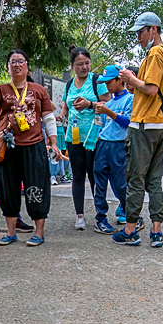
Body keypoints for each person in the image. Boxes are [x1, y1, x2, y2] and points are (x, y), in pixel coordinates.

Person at [0, 50, 58, 247]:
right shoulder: (0, 88)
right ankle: (11, 232)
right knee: (7, 188)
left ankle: (39, 232)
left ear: (27, 65)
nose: (17, 65)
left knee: (37, 187)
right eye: (12, 62)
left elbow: (48, 118)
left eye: (20, 61)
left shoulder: (39, 90)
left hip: (34, 146)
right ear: (7, 67)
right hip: (7, 147)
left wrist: (54, 143)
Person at [115, 11, 163, 248]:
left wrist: (131, 77)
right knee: (154, 179)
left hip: (145, 125)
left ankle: (130, 230)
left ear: (153, 29)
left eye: (141, 31)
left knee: (136, 178)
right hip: (161, 125)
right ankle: (156, 230)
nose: (138, 37)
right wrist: (136, 85)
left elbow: (150, 88)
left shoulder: (156, 53)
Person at [61, 46, 105, 230]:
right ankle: (79, 215)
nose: (84, 67)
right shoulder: (69, 85)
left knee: (95, 175)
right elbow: (65, 106)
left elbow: (108, 103)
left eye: (87, 63)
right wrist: (61, 115)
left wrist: (90, 104)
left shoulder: (97, 80)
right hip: (74, 137)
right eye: (80, 64)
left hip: (94, 136)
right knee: (78, 176)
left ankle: (100, 214)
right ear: (72, 66)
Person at [90, 64, 131, 233]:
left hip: (119, 146)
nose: (107, 85)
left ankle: (131, 214)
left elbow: (127, 122)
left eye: (109, 81)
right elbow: (101, 125)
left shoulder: (129, 99)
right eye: (104, 82)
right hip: (102, 144)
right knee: (99, 183)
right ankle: (100, 218)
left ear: (119, 80)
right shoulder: (109, 102)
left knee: (120, 184)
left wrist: (108, 111)